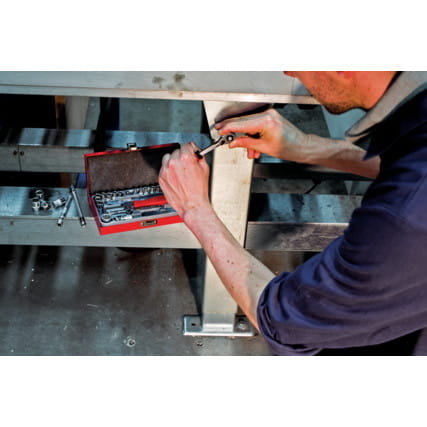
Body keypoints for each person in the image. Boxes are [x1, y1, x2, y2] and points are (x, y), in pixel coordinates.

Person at [159, 71, 427, 355]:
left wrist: (195, 208)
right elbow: (405, 163)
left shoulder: (401, 221)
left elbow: (281, 320)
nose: (289, 71)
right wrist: (306, 146)